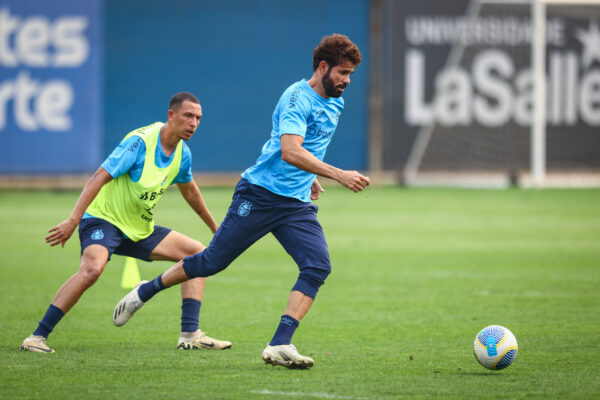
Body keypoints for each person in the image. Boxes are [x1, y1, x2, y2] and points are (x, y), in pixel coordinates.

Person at [113, 34, 369, 369]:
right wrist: (338, 174)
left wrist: (312, 177)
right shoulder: (296, 98)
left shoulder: (336, 101)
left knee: (318, 265)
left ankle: (280, 343)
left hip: (294, 204)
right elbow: (290, 150)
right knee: (211, 262)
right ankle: (145, 291)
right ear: (323, 67)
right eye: (343, 72)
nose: (347, 81)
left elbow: (305, 147)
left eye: (351, 74)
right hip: (260, 194)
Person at [20, 92, 231, 353]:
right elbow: (99, 176)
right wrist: (74, 219)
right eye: (188, 116)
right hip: (103, 220)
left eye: (198, 118)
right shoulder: (140, 142)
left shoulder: (182, 154)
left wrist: (215, 229)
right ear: (171, 115)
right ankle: (37, 337)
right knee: (92, 270)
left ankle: (190, 334)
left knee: (198, 253)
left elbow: (191, 192)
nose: (194, 123)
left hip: (139, 228)